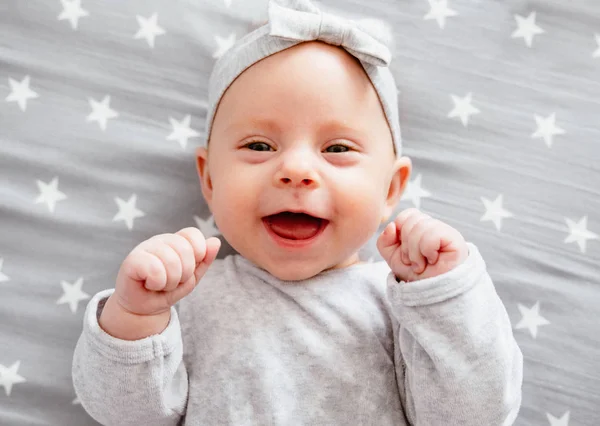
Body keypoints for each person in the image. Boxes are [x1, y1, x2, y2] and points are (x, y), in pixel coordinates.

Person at [72, 0, 523, 424]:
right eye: (259, 145)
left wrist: (446, 297)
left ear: (391, 188)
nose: (296, 170)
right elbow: (125, 415)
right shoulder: (187, 297)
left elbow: (474, 415)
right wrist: (134, 317)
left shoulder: (401, 304)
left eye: (338, 148)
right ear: (209, 179)